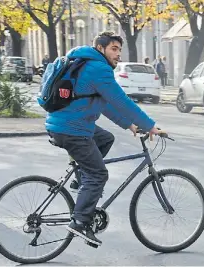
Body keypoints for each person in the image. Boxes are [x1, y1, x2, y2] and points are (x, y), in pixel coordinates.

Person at [45, 31, 163, 246]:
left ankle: (81, 178)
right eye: (114, 49)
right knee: (98, 174)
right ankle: (80, 222)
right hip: (73, 129)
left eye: (119, 49)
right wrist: (150, 126)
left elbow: (105, 103)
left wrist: (128, 124)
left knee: (105, 138)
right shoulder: (97, 68)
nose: (118, 54)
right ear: (101, 48)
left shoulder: (85, 62)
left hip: (65, 125)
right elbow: (121, 101)